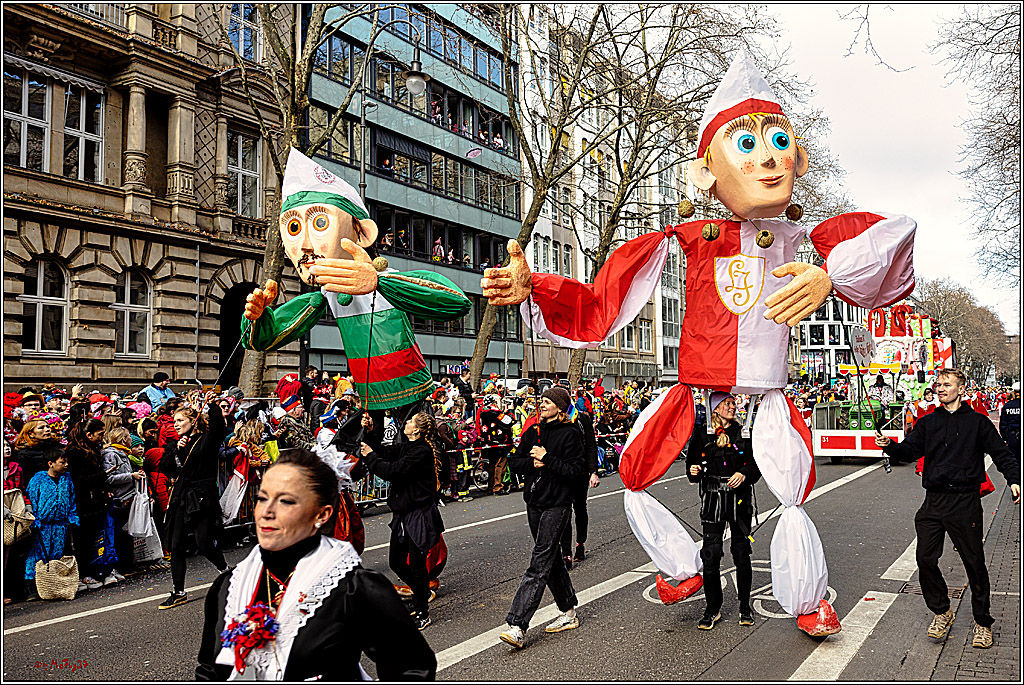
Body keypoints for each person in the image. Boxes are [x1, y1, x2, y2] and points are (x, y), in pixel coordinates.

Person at [195, 448, 437, 680]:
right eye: (262, 498)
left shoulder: (353, 588)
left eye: (286, 501)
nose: (266, 512)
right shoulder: (229, 586)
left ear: (322, 514)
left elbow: (412, 668)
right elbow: (209, 669)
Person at [876, 368, 1020, 649]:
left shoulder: (978, 423)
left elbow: (1002, 454)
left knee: (974, 564)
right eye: (938, 384)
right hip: (934, 502)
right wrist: (891, 446)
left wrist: (1014, 479)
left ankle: (982, 623)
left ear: (961, 389)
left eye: (947, 384)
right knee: (925, 560)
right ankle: (942, 611)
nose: (940, 388)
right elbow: (910, 451)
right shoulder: (928, 422)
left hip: (965, 502)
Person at [499, 387, 585, 649]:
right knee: (551, 559)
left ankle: (517, 625)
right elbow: (513, 462)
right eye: (542, 401)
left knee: (539, 563)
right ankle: (568, 610)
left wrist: (547, 458)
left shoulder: (571, 434)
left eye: (547, 402)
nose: (542, 405)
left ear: (560, 407)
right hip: (534, 503)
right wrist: (532, 463)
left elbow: (576, 472)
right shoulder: (534, 432)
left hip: (557, 505)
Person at [359, 412, 444, 630]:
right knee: (395, 561)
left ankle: (422, 611)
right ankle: (421, 592)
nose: (406, 423)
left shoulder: (422, 451)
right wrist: (370, 429)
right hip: (403, 514)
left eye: (410, 421)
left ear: (417, 429)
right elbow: (382, 451)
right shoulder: (407, 446)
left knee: (416, 564)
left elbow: (392, 471)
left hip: (418, 514)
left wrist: (370, 456)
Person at [686, 392, 761, 629]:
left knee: (741, 553)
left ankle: (744, 606)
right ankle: (712, 608)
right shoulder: (702, 433)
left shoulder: (743, 432)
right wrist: (694, 470)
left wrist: (744, 473)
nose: (732, 406)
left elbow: (755, 465)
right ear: (715, 409)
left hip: (738, 501)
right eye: (727, 403)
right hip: (712, 499)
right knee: (711, 554)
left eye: (732, 402)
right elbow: (691, 465)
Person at [158, 397, 230, 610]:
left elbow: (218, 429)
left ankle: (226, 572)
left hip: (202, 497)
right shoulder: (174, 445)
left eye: (180, 420)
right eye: (174, 422)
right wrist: (178, 451)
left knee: (203, 542)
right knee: (176, 544)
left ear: (193, 421)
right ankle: (178, 591)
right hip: (181, 496)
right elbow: (166, 468)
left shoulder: (206, 440)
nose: (176, 424)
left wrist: (213, 406)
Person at [24, 452, 80, 598]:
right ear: (51, 463)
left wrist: (72, 516)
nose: (66, 465)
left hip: (60, 524)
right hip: (42, 525)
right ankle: (32, 587)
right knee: (37, 556)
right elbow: (32, 499)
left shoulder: (66, 479)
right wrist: (34, 519)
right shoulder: (38, 479)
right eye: (62, 462)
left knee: (56, 555)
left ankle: (54, 585)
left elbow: (71, 498)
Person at [64, 418, 111, 590]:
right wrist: (103, 474)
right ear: (89, 434)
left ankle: (96, 571)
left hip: (96, 500)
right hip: (83, 503)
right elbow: (79, 480)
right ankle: (83, 574)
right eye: (100, 434)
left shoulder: (93, 449)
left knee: (95, 539)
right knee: (82, 541)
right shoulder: (75, 453)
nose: (102, 437)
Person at [559, 407, 600, 567]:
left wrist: (593, 472)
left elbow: (591, 445)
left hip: (581, 472)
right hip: (562, 472)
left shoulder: (582, 419)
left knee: (580, 509)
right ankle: (566, 553)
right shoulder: (554, 419)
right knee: (564, 512)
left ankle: (580, 544)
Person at [998, 387, 1019, 458]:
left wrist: (1005, 438)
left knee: (1014, 459)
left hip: (1012, 436)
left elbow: (1003, 425)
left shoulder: (1007, 406)